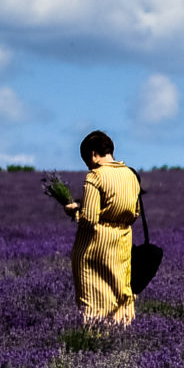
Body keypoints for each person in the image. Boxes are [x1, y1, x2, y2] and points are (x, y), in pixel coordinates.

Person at [62, 130, 142, 324]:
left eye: (86, 160)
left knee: (94, 298)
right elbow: (135, 211)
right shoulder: (130, 175)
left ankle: (95, 341)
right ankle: (121, 336)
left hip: (95, 248)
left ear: (92, 154)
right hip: (122, 243)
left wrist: (74, 211)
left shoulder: (95, 177)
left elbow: (89, 219)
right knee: (121, 294)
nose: (88, 165)